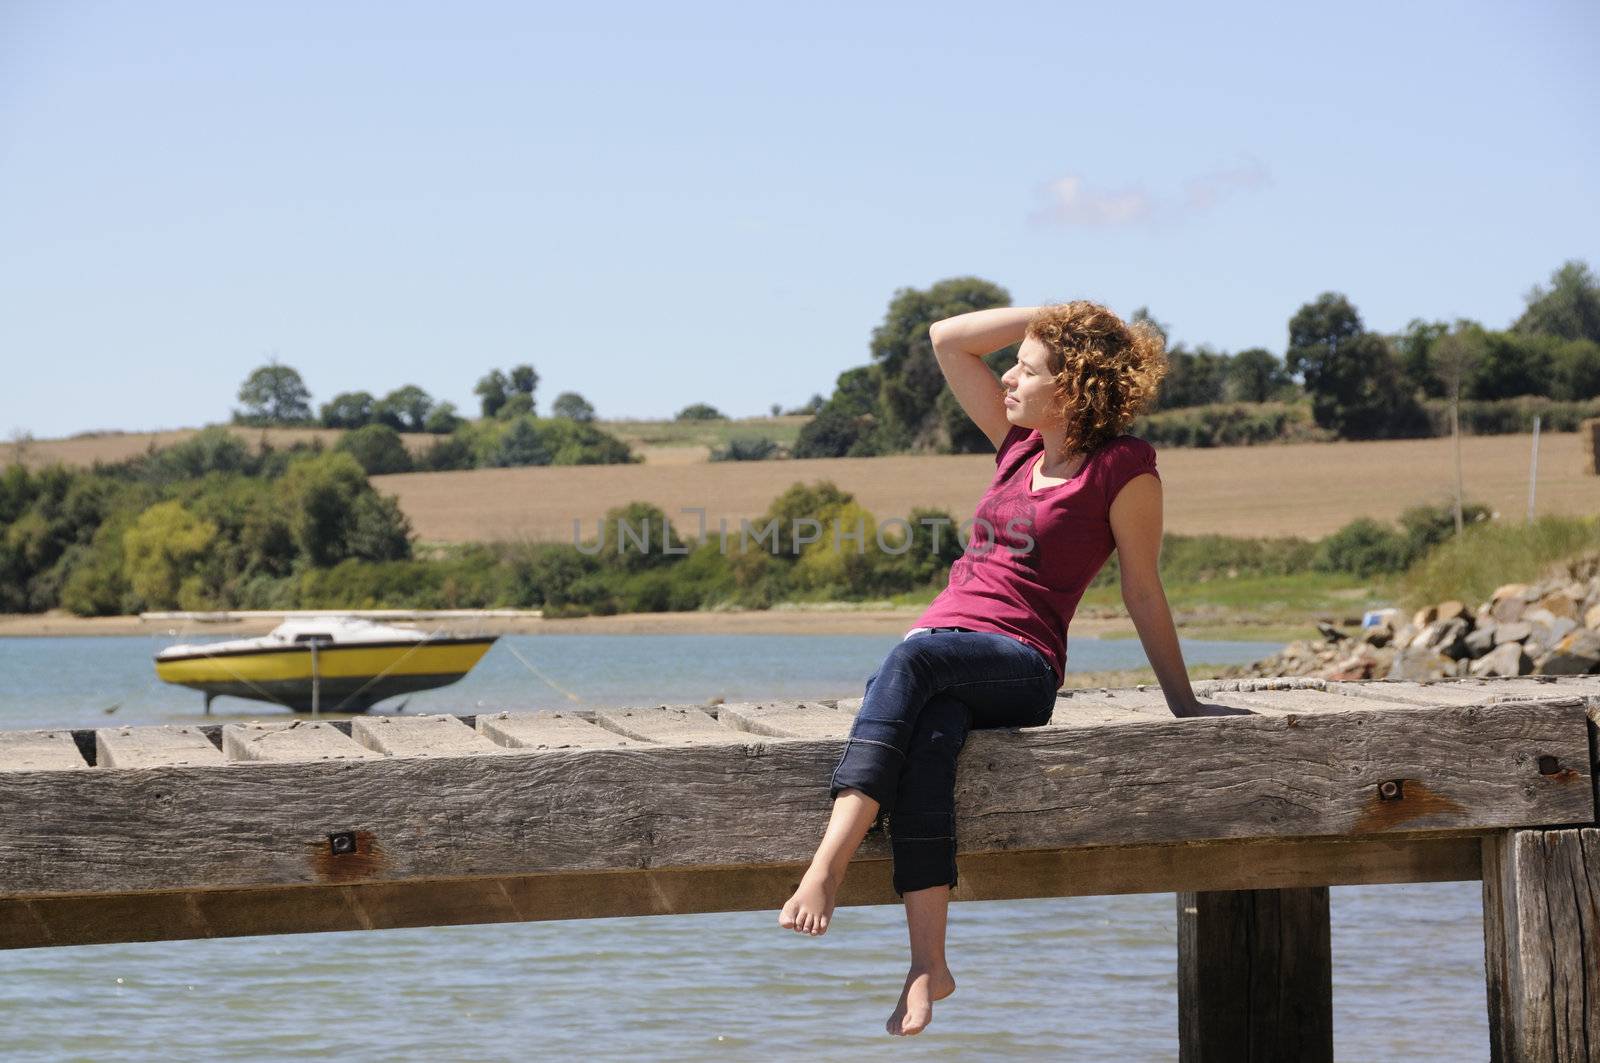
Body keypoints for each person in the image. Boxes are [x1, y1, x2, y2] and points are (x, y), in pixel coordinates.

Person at [777, 301, 1208, 1036]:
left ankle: (828, 864)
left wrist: (1184, 704)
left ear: (1072, 386)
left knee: (914, 656)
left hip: (1022, 662)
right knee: (932, 743)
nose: (1008, 375)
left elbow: (1141, 588)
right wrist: (1055, 314)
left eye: (1029, 368)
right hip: (945, 659)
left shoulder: (1122, 468)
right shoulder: (1017, 447)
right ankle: (928, 964)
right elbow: (946, 340)